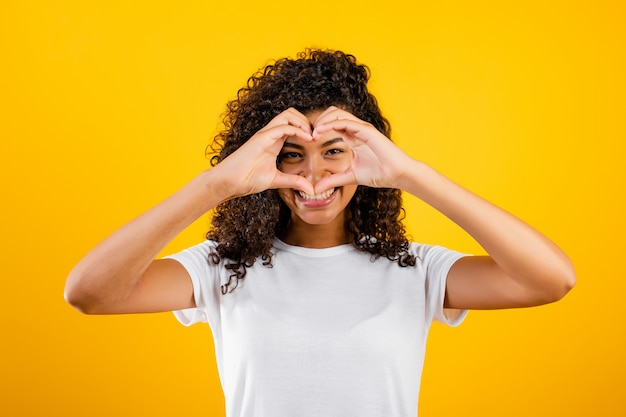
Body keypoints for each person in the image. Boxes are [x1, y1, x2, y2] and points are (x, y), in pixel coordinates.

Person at [65, 49, 575, 417]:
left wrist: (411, 174)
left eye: (334, 151)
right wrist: (217, 183)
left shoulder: (413, 269)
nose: (314, 178)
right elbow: (88, 293)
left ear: (363, 155)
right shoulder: (224, 266)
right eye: (292, 155)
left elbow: (551, 280)